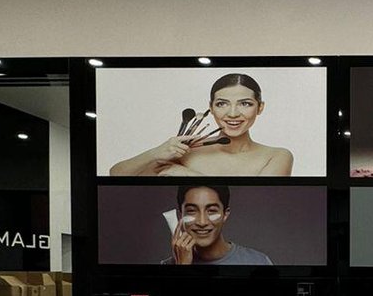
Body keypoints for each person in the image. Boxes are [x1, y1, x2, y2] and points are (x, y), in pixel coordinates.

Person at [111, 73, 293, 177]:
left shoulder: (277, 156)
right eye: (222, 104)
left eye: (245, 103)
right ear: (211, 108)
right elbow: (116, 175)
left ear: (260, 107)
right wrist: (157, 152)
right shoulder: (187, 152)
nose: (232, 113)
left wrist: (188, 175)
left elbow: (256, 199)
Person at [163, 183, 273, 266]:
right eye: (192, 211)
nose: (202, 222)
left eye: (211, 211)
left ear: (225, 214)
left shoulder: (258, 262)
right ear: (181, 215)